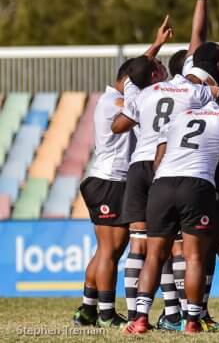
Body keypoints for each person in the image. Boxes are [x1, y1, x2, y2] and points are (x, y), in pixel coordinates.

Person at [123, 52, 219, 335]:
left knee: (155, 255)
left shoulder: (180, 116)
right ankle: (193, 320)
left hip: (162, 184)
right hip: (196, 186)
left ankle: (140, 318)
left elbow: (159, 156)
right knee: (194, 257)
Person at [72, 59, 139, 328]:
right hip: (110, 180)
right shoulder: (113, 102)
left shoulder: (113, 95)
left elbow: (135, 70)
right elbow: (137, 106)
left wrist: (156, 44)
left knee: (105, 251)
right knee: (111, 252)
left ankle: (88, 309)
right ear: (128, 82)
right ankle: (107, 314)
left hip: (109, 180)